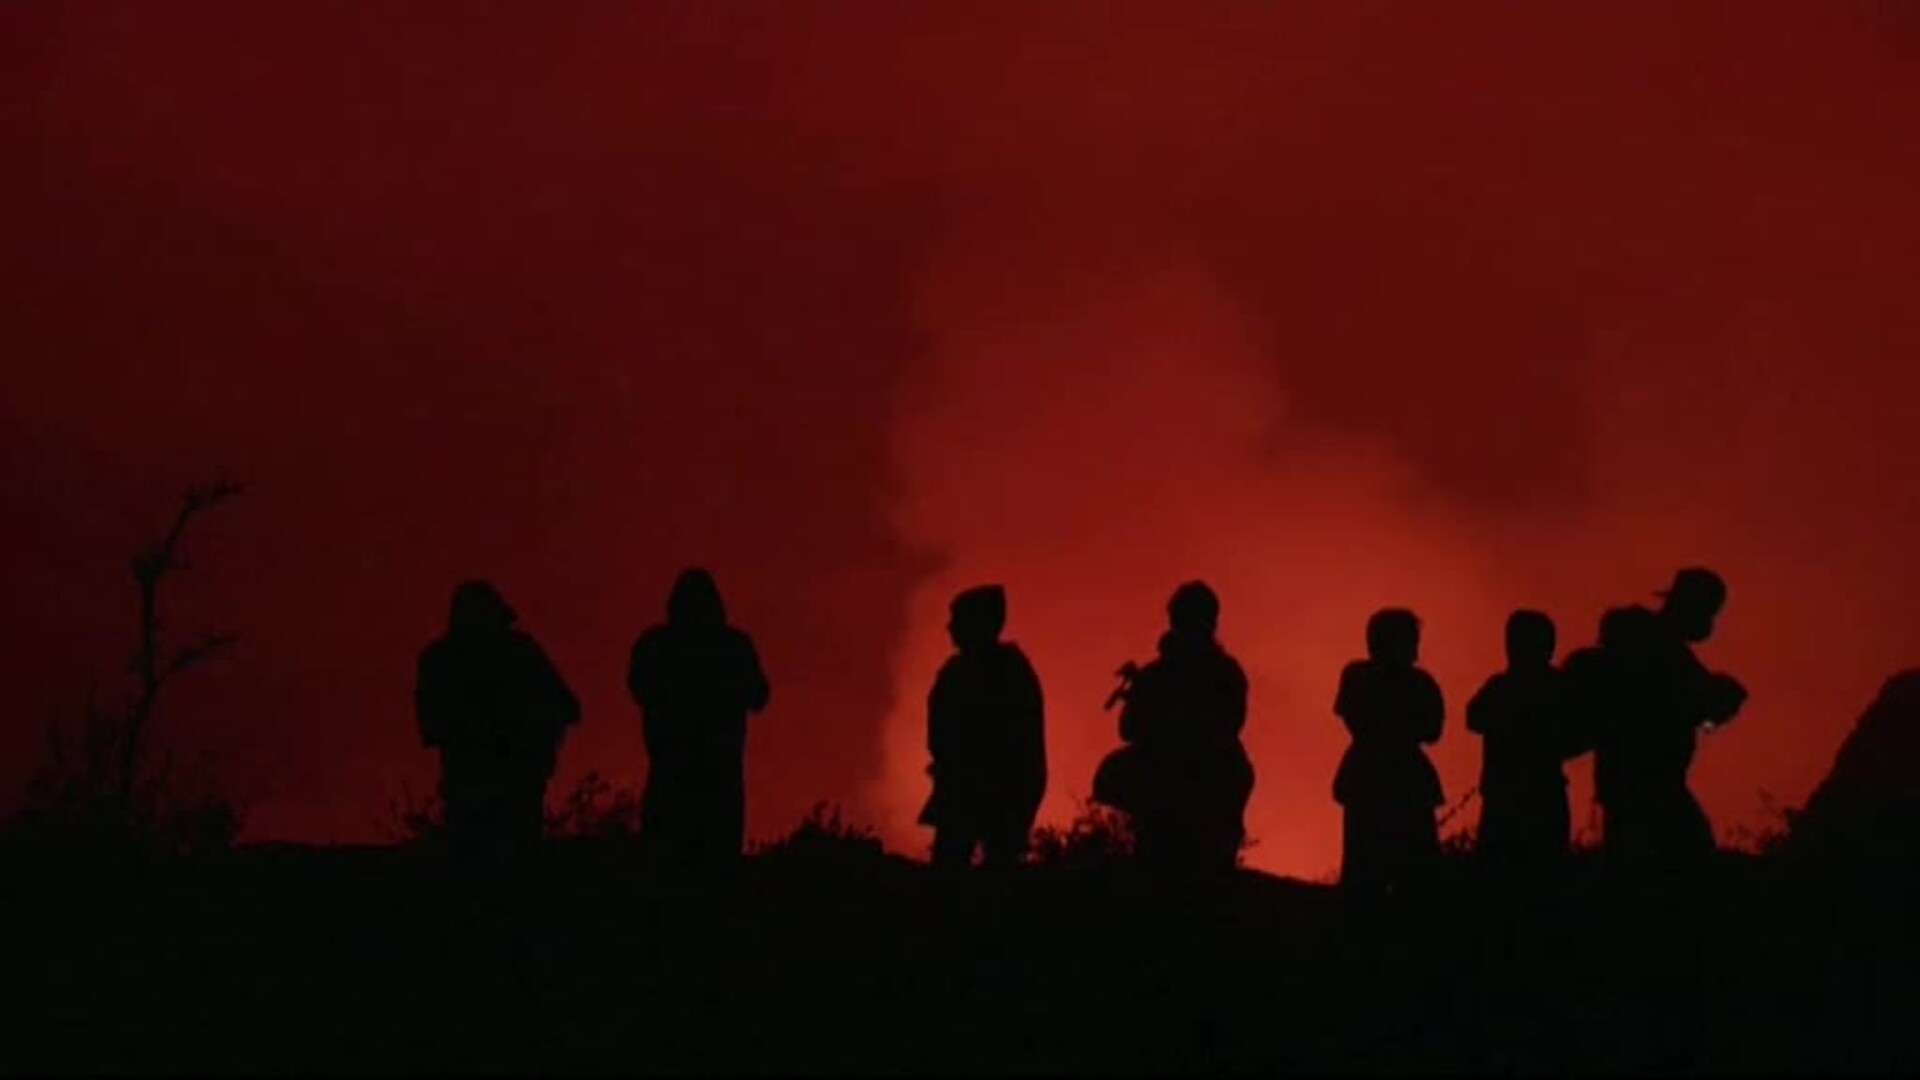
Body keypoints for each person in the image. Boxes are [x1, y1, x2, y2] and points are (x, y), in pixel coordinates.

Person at [1576, 568, 1746, 869]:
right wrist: (1721, 697)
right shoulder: (1661, 651)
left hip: (1626, 781)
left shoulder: (1647, 644)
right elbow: (1681, 705)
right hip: (1648, 783)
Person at [414, 580, 580, 872]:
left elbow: (432, 727)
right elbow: (568, 707)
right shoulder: (520, 653)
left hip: (468, 790)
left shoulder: (439, 661)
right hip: (515, 790)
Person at [1096, 581, 1253, 872]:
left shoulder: (1178, 674)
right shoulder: (1222, 672)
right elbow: (1130, 727)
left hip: (1196, 781)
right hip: (1189, 783)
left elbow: (1227, 724)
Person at [627, 568, 771, 869]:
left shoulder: (655, 646)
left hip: (669, 777)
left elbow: (638, 687)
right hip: (719, 781)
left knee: (666, 870)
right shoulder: (733, 648)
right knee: (716, 868)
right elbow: (759, 697)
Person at [918, 585, 1047, 868]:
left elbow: (1019, 739)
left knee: (990, 864)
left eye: (957, 619)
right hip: (968, 785)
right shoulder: (964, 671)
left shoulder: (1005, 672)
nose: (950, 627)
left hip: (994, 787)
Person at [1333, 608, 1444, 896]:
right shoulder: (1420, 683)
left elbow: (1352, 717)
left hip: (1367, 777)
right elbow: (1432, 730)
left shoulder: (1357, 676)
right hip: (1404, 780)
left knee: (1367, 875)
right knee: (1411, 880)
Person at [1467, 610, 1579, 871]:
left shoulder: (1504, 686)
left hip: (1513, 795)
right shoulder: (1553, 685)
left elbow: (1475, 718)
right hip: (1533, 794)